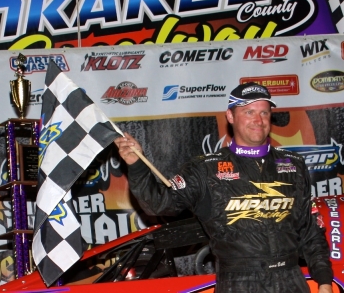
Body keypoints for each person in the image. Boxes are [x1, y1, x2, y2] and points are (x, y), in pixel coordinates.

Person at [114, 82, 333, 293]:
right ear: (230, 116)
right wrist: (137, 166)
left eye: (264, 112)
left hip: (290, 279)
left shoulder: (293, 164)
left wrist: (324, 280)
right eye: (249, 112)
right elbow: (158, 205)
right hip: (238, 281)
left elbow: (309, 229)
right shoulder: (205, 168)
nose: (258, 120)